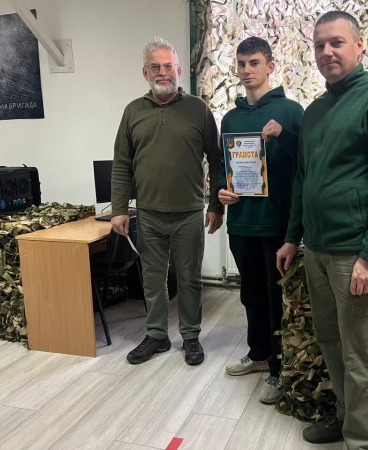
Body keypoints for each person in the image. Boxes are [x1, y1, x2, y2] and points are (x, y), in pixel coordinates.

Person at [276, 11, 368, 449]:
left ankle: (362, 442)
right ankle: (344, 417)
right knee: (331, 343)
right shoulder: (315, 111)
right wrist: (292, 236)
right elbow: (303, 179)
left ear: (359, 45)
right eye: (319, 45)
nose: (326, 52)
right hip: (316, 249)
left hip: (354, 253)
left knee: (359, 352)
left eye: (336, 42)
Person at [111, 37, 224, 366]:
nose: (163, 72)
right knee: (152, 279)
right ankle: (157, 335)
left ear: (178, 70)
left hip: (189, 212)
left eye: (168, 66)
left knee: (190, 279)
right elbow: (121, 163)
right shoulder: (133, 111)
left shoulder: (198, 109)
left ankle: (190, 336)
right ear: (145, 72)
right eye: (155, 67)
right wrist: (119, 209)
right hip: (148, 214)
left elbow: (217, 160)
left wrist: (216, 206)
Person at [218, 37, 303, 404]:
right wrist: (222, 192)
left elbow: (308, 161)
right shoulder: (231, 118)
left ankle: (279, 369)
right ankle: (258, 355)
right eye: (241, 63)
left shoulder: (292, 111)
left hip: (276, 223)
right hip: (241, 222)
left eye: (254, 63)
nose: (246, 70)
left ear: (270, 66)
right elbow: (223, 166)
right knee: (250, 294)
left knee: (275, 297)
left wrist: (284, 134)